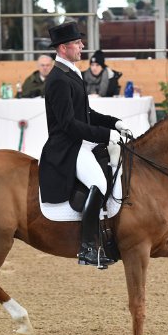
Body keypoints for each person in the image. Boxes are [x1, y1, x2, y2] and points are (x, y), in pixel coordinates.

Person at [39, 22, 130, 267]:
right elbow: (69, 124)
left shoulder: (71, 73)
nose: (82, 46)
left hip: (80, 141)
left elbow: (86, 113)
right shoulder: (58, 79)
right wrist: (105, 135)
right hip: (67, 146)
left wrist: (115, 124)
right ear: (63, 47)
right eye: (77, 42)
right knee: (98, 183)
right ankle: (88, 247)